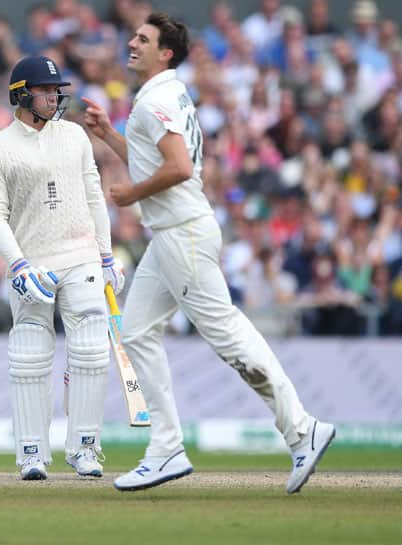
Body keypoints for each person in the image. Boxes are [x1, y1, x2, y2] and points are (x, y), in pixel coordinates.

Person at [82, 13, 335, 494]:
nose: (131, 43)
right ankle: (166, 448)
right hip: (174, 235)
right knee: (135, 332)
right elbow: (160, 157)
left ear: (166, 53)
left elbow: (177, 167)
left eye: (143, 39)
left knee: (229, 336)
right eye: (134, 36)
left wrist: (132, 194)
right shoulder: (166, 93)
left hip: (183, 233)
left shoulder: (154, 99)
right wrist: (107, 136)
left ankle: (303, 430)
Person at [0, 55, 124, 480]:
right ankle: (31, 452)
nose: (55, 97)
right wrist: (19, 265)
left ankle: (84, 448)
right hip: (32, 266)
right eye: (46, 91)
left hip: (81, 256)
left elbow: (94, 196)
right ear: (22, 94)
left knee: (92, 351)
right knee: (28, 353)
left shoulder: (75, 136)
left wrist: (107, 253)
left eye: (57, 90)